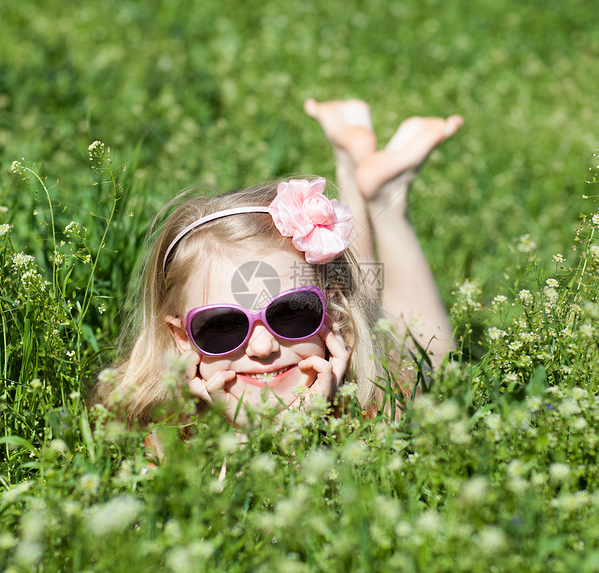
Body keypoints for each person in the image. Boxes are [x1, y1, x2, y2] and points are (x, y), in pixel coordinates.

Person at [90, 99, 463, 429]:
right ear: (181, 337)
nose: (264, 347)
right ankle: (371, 182)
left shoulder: (377, 409)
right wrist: (250, 431)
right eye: (222, 326)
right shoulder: (156, 424)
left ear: (330, 312)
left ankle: (387, 203)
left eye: (292, 313)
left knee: (432, 362)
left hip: (380, 363)